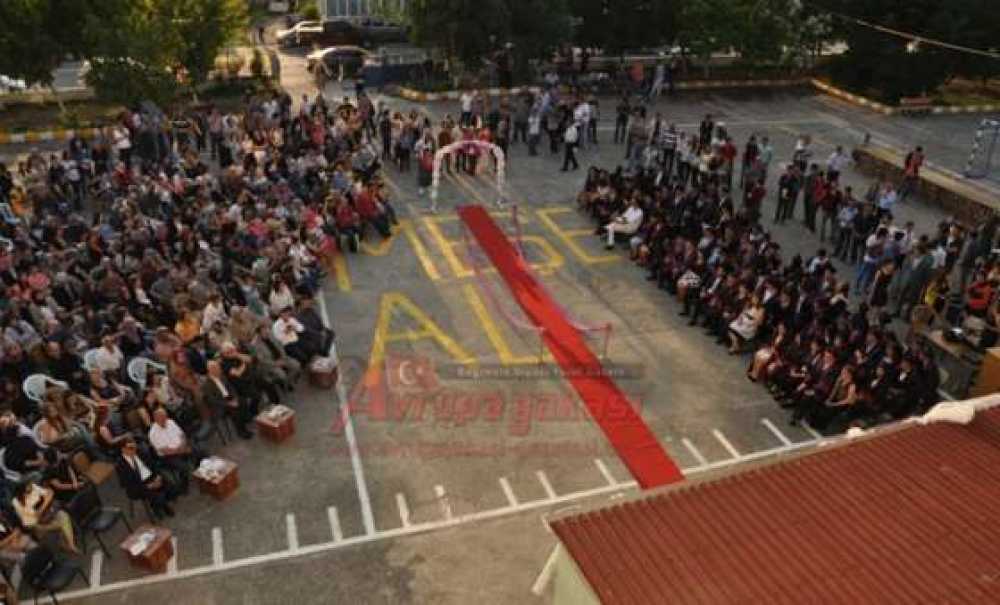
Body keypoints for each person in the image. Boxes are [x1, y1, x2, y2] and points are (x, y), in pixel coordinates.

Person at [115, 436, 177, 518]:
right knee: (156, 495)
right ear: (123, 449)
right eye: (130, 448)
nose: (134, 450)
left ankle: (159, 504)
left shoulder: (140, 452)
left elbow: (153, 465)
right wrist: (148, 486)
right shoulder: (120, 465)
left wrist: (158, 476)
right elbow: (126, 484)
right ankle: (162, 506)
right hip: (139, 484)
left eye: (134, 446)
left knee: (170, 486)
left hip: (151, 476)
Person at [12, 481, 79, 554]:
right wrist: (43, 505)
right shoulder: (16, 502)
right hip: (36, 524)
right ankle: (68, 544)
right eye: (28, 487)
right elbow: (32, 517)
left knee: (63, 515)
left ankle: (71, 545)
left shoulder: (33, 487)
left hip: (47, 514)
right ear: (22, 490)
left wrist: (42, 507)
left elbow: (50, 493)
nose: (31, 487)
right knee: (63, 521)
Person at [148, 407, 197, 494]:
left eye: (165, 416)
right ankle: (183, 488)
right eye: (162, 418)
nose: (165, 419)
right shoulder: (153, 433)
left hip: (181, 447)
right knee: (184, 467)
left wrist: (183, 445)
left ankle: (201, 474)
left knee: (199, 451)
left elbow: (182, 435)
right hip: (168, 456)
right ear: (156, 419)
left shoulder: (170, 421)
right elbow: (165, 451)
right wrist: (182, 451)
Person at [201, 359, 254, 439]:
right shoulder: (206, 384)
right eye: (217, 368)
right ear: (211, 370)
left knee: (242, 401)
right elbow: (213, 400)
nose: (219, 369)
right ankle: (241, 431)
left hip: (228, 397)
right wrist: (228, 403)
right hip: (220, 404)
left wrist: (235, 397)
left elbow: (230, 387)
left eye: (219, 367)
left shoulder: (221, 376)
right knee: (235, 410)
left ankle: (245, 419)